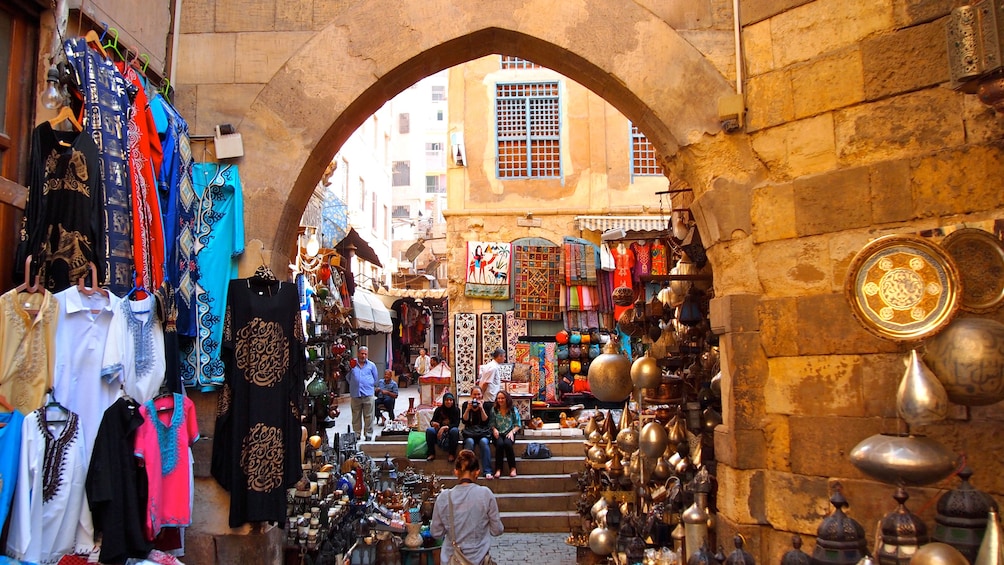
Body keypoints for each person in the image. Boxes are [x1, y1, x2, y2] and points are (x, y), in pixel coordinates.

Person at [430, 449, 503, 565]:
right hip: (479, 559)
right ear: (477, 472)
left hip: (452, 559)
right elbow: (497, 530)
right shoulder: (485, 494)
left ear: (456, 472)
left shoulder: (444, 497)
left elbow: (436, 533)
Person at [346, 346, 379, 441]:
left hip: (368, 393)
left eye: (365, 354)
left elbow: (375, 378)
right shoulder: (352, 365)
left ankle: (368, 434)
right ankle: (357, 434)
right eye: (362, 353)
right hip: (355, 394)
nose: (363, 356)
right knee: (356, 416)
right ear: (358, 353)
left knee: (369, 415)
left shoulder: (371, 365)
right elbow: (348, 377)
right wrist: (354, 384)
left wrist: (367, 384)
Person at [461, 386, 494, 479]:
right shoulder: (466, 404)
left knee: (484, 443)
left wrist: (481, 408)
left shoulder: (487, 405)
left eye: (479, 394)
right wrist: (468, 409)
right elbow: (464, 420)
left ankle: (487, 471)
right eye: (474, 394)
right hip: (470, 432)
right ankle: (467, 470)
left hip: (483, 432)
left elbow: (486, 421)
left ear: (482, 395)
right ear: (471, 395)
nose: (477, 396)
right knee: (469, 443)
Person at [489, 390, 522, 478]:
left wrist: (512, 432)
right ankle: (498, 469)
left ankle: (513, 468)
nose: (500, 400)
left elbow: (518, 424)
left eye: (502, 398)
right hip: (498, 433)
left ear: (506, 399)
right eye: (499, 398)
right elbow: (491, 423)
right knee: (499, 444)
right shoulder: (494, 409)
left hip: (509, 432)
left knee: (507, 444)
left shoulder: (512, 409)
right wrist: (494, 429)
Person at [425, 391, 461, 462]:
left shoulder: (456, 410)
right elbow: (432, 421)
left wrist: (445, 427)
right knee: (429, 431)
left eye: (450, 400)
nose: (449, 402)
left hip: (450, 430)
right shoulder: (439, 410)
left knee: (454, 431)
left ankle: (451, 454)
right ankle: (431, 453)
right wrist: (433, 423)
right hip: (438, 431)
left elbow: (456, 424)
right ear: (444, 401)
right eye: (447, 400)